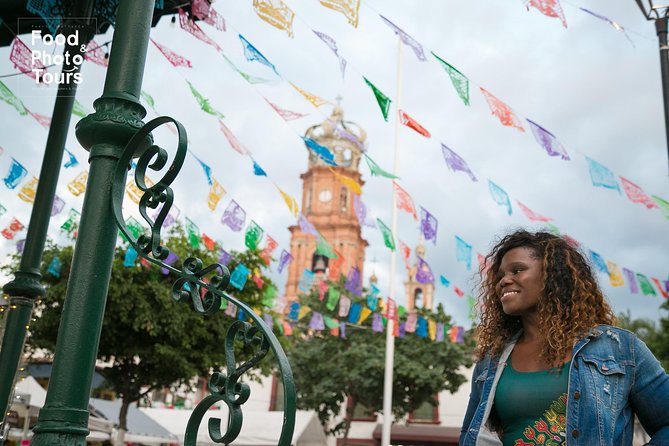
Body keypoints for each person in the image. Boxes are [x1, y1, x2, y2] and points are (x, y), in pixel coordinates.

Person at [459, 229, 669, 446]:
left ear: (551, 275)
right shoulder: (490, 361)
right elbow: (469, 436)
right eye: (501, 275)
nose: (504, 281)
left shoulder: (619, 349)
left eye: (517, 270)